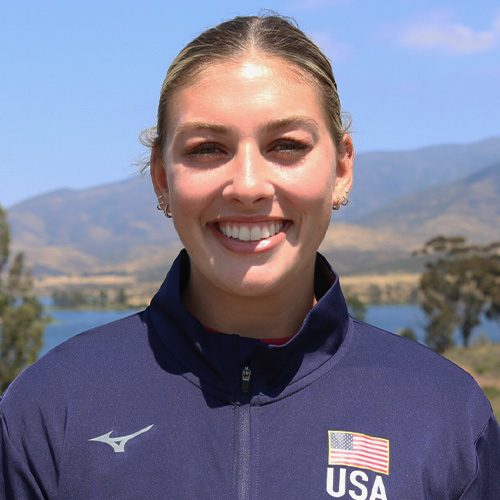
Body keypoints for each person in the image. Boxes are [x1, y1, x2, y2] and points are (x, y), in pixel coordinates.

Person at [1, 14, 499, 500]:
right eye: (206, 149)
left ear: (341, 169)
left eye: (285, 146)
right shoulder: (51, 408)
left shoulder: (446, 415)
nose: (247, 186)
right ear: (161, 178)